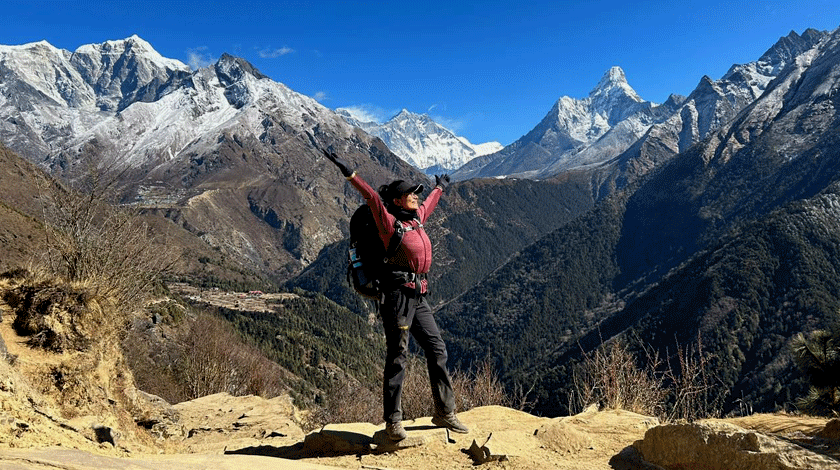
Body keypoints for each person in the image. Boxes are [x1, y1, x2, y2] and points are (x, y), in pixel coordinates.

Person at [323, 148, 469, 441]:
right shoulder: (390, 224)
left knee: (437, 349)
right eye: (411, 193)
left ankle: (444, 411)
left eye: (417, 193)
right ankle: (393, 421)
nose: (417, 196)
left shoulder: (416, 219)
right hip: (397, 297)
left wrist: (440, 187)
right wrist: (349, 173)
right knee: (398, 356)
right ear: (397, 200)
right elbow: (372, 198)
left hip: (418, 296)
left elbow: (430, 203)